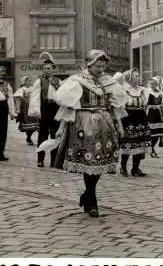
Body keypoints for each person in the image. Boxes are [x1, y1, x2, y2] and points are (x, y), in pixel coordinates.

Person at [51, 49, 126, 217]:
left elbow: (115, 107)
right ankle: (92, 201)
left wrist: (119, 126)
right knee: (89, 161)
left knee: (99, 163)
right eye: (97, 65)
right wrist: (61, 128)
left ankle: (87, 194)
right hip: (83, 124)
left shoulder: (108, 81)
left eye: (103, 65)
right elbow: (69, 106)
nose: (101, 69)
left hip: (105, 124)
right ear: (89, 64)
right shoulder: (78, 81)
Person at [29, 53, 62, 167]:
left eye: (48, 68)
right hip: (44, 108)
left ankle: (54, 161)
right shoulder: (40, 81)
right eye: (44, 69)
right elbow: (35, 96)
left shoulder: (58, 81)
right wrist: (36, 111)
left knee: (55, 135)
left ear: (53, 69)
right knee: (43, 134)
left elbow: (62, 96)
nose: (46, 70)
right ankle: (40, 159)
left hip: (55, 108)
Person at [119, 68, 152, 177]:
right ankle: (123, 167)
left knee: (140, 144)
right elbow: (120, 106)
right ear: (129, 78)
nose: (139, 78)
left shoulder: (143, 90)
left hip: (141, 118)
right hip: (128, 119)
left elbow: (148, 103)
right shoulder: (123, 90)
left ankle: (135, 168)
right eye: (136, 76)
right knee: (128, 143)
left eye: (138, 76)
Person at [14, 76, 39, 145]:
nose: (29, 82)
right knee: (28, 124)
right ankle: (28, 137)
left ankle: (29, 137)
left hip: (33, 108)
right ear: (24, 82)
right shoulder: (21, 89)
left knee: (36, 124)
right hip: (25, 109)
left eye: (30, 81)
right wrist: (17, 109)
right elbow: (18, 100)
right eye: (27, 81)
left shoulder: (33, 88)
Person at [147, 77, 163, 158]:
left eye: (153, 84)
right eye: (151, 84)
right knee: (152, 133)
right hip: (151, 113)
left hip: (159, 114)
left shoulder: (161, 93)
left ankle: (152, 148)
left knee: (159, 133)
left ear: (156, 84)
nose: (152, 85)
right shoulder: (147, 92)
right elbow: (145, 104)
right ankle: (152, 150)